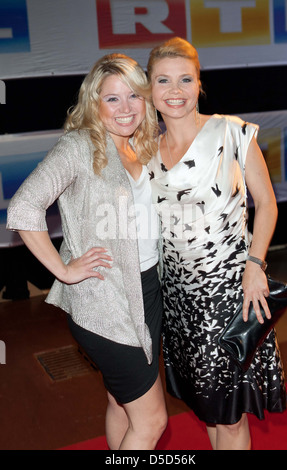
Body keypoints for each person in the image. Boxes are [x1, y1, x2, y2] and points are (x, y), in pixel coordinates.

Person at [6, 53, 168, 450]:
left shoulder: (143, 144)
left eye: (133, 95)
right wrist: (63, 269)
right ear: (94, 102)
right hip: (105, 303)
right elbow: (23, 208)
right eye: (112, 99)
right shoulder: (79, 145)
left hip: (148, 293)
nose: (126, 108)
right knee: (152, 422)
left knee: (120, 402)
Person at [147, 37, 287, 450]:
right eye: (163, 80)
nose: (175, 91)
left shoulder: (232, 132)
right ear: (149, 89)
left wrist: (255, 264)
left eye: (185, 79)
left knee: (228, 416)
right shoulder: (145, 153)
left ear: (199, 84)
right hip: (176, 299)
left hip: (231, 293)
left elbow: (267, 204)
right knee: (206, 407)